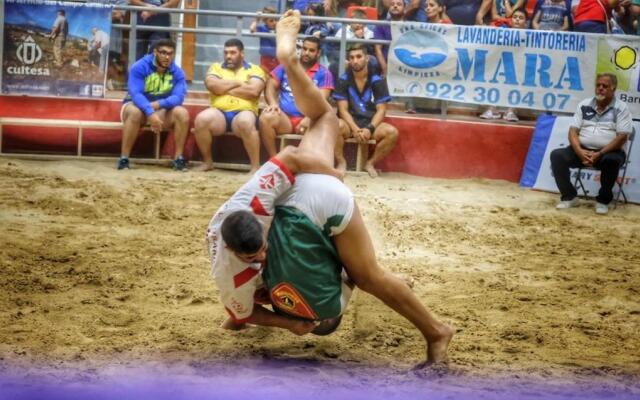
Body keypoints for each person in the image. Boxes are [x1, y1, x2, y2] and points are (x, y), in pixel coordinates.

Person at [208, 10, 453, 365]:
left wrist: (333, 173)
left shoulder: (231, 264)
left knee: (365, 277)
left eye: (260, 250)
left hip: (317, 197)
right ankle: (289, 61)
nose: (262, 256)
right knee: (326, 118)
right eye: (253, 256)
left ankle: (436, 331)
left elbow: (291, 156)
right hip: (306, 194)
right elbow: (291, 158)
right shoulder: (247, 205)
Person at [259, 36, 349, 171]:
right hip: (286, 119)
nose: (306, 53)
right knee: (266, 118)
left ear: (318, 53)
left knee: (339, 125)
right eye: (304, 49)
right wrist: (272, 103)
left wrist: (309, 118)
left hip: (312, 122)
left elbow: (322, 100)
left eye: (311, 50)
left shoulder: (324, 73)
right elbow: (270, 85)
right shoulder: (287, 66)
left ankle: (338, 162)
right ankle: (275, 161)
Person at [550, 73, 632, 215]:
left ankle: (603, 200)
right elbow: (572, 132)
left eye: (604, 86)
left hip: (609, 152)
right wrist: (579, 151)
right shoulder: (584, 104)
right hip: (582, 151)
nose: (600, 88)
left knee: (612, 160)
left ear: (613, 88)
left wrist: (600, 153)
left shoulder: (621, 108)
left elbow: (622, 138)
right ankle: (569, 196)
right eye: (598, 85)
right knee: (557, 155)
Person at [193, 39, 266, 174]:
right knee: (201, 119)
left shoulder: (255, 69)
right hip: (219, 113)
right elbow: (212, 86)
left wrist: (223, 87)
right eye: (226, 53)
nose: (228, 56)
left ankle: (255, 167)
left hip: (244, 112)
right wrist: (239, 83)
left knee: (246, 121)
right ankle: (207, 162)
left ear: (242, 53)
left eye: (233, 53)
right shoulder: (216, 67)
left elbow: (253, 91)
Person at [118, 39, 190, 171]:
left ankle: (179, 158)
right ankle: (124, 158)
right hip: (135, 106)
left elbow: (178, 98)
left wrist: (156, 106)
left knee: (182, 112)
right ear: (155, 52)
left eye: (170, 53)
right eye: (163, 53)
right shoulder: (139, 67)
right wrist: (150, 112)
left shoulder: (178, 72)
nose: (167, 57)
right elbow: (136, 94)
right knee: (135, 112)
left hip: (160, 110)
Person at [334, 45, 398, 178]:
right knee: (335, 126)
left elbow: (381, 110)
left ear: (366, 58)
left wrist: (369, 128)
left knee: (392, 132)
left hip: (371, 124)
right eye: (351, 58)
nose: (355, 61)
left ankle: (370, 163)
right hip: (349, 125)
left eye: (359, 57)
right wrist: (355, 129)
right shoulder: (343, 80)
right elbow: (343, 110)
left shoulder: (378, 81)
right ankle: (341, 162)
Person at [480, 8, 527, 121]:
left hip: (520, 68)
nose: (517, 20)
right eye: (515, 17)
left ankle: (511, 111)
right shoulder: (503, 31)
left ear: (525, 22)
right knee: (492, 77)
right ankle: (492, 109)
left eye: (520, 18)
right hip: (502, 65)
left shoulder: (530, 35)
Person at [250, 6, 278, 73]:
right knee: (265, 75)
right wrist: (257, 19)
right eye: (271, 21)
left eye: (276, 20)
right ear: (265, 21)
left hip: (277, 59)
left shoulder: (279, 29)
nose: (274, 22)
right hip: (266, 59)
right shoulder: (262, 28)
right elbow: (252, 29)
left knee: (276, 77)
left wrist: (278, 28)